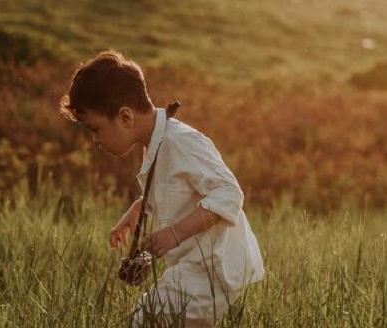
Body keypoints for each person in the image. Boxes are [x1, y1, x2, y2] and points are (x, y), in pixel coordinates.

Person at [59, 50, 264, 328]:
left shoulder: (180, 142)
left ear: (125, 117)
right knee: (146, 316)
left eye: (96, 129)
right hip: (192, 268)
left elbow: (228, 195)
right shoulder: (156, 142)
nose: (95, 140)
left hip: (213, 272)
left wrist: (175, 233)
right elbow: (177, 189)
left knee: (145, 319)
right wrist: (137, 210)